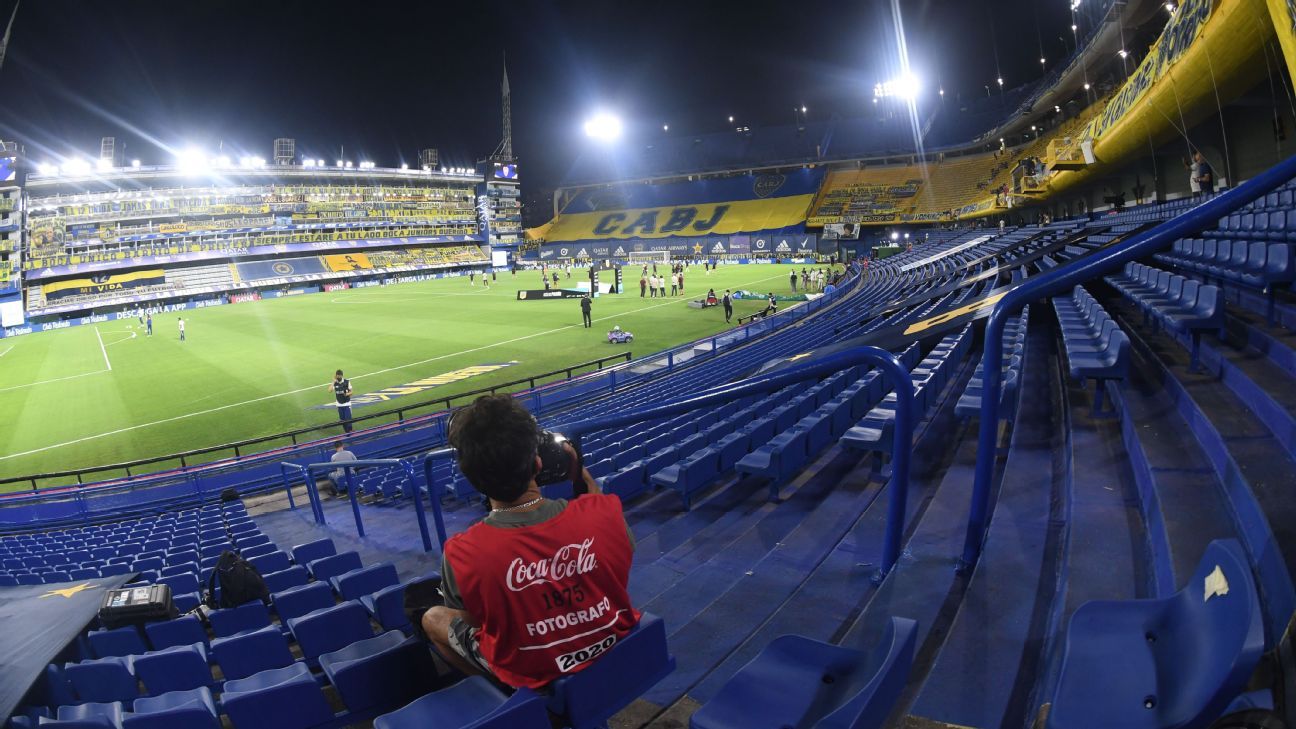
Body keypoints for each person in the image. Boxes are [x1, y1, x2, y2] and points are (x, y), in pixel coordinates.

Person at [423, 394, 639, 689]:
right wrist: (578, 473)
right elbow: (618, 553)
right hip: (613, 643)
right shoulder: (603, 512)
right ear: (537, 463)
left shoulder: (462, 552)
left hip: (531, 672)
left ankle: (502, 691)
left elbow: (474, 620)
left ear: (472, 479)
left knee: (433, 617)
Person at [329, 369, 354, 433]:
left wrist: (347, 394)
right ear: (336, 376)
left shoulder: (347, 382)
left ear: (342, 376)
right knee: (342, 421)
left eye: (340, 376)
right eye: (337, 376)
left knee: (348, 419)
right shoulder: (335, 383)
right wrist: (333, 382)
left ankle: (350, 430)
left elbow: (351, 392)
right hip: (339, 404)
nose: (339, 377)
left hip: (347, 404)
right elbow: (329, 390)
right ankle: (347, 433)